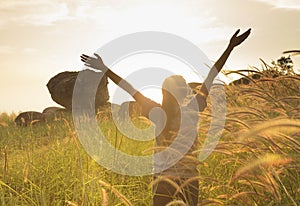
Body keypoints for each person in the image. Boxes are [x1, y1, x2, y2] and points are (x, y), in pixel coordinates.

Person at [81, 28, 251, 205]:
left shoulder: (157, 112)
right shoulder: (193, 107)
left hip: (163, 177)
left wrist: (105, 69)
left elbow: (129, 88)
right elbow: (212, 75)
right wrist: (230, 47)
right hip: (189, 176)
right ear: (182, 91)